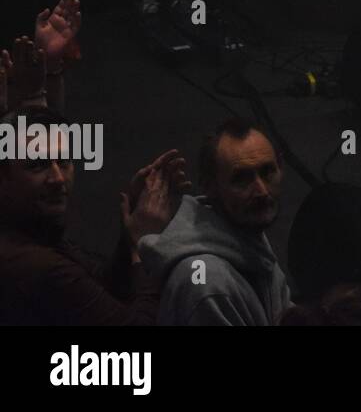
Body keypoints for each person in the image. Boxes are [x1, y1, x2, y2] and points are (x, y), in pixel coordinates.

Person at [0, 106, 187, 325]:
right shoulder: (35, 264)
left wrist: (129, 239)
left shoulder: (31, 227)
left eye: (63, 161)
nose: (58, 178)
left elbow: (100, 287)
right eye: (37, 166)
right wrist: (145, 245)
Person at [139, 117, 292, 325]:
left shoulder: (249, 242)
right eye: (241, 179)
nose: (262, 191)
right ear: (209, 187)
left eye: (267, 172)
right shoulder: (208, 284)